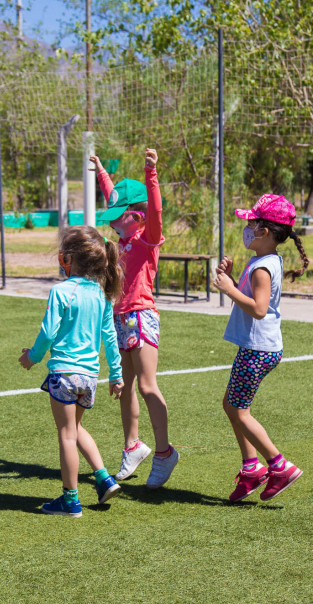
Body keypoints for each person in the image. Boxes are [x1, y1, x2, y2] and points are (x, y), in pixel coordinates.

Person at [19, 226, 125, 518]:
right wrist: (116, 376)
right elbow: (110, 337)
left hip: (64, 375)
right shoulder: (102, 295)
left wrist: (32, 357)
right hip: (89, 377)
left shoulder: (61, 291)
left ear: (67, 258)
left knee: (66, 434)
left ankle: (70, 500)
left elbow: (47, 332)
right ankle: (104, 479)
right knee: (76, 429)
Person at [213, 194, 309, 501]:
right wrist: (230, 277)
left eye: (251, 223)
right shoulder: (263, 262)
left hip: (258, 350)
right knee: (232, 405)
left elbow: (259, 308)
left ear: (264, 231)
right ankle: (251, 468)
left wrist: (228, 290)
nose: (246, 227)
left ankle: (279, 466)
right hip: (257, 348)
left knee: (239, 412)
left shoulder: (262, 268)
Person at [92, 149, 178, 488]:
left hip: (142, 316)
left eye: (118, 216)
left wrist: (151, 172)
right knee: (125, 386)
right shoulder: (124, 241)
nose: (111, 221)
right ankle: (132, 446)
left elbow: (155, 209)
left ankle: (164, 453)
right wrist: (101, 171)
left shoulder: (147, 239)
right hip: (119, 316)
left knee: (146, 385)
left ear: (136, 215)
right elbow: (113, 195)